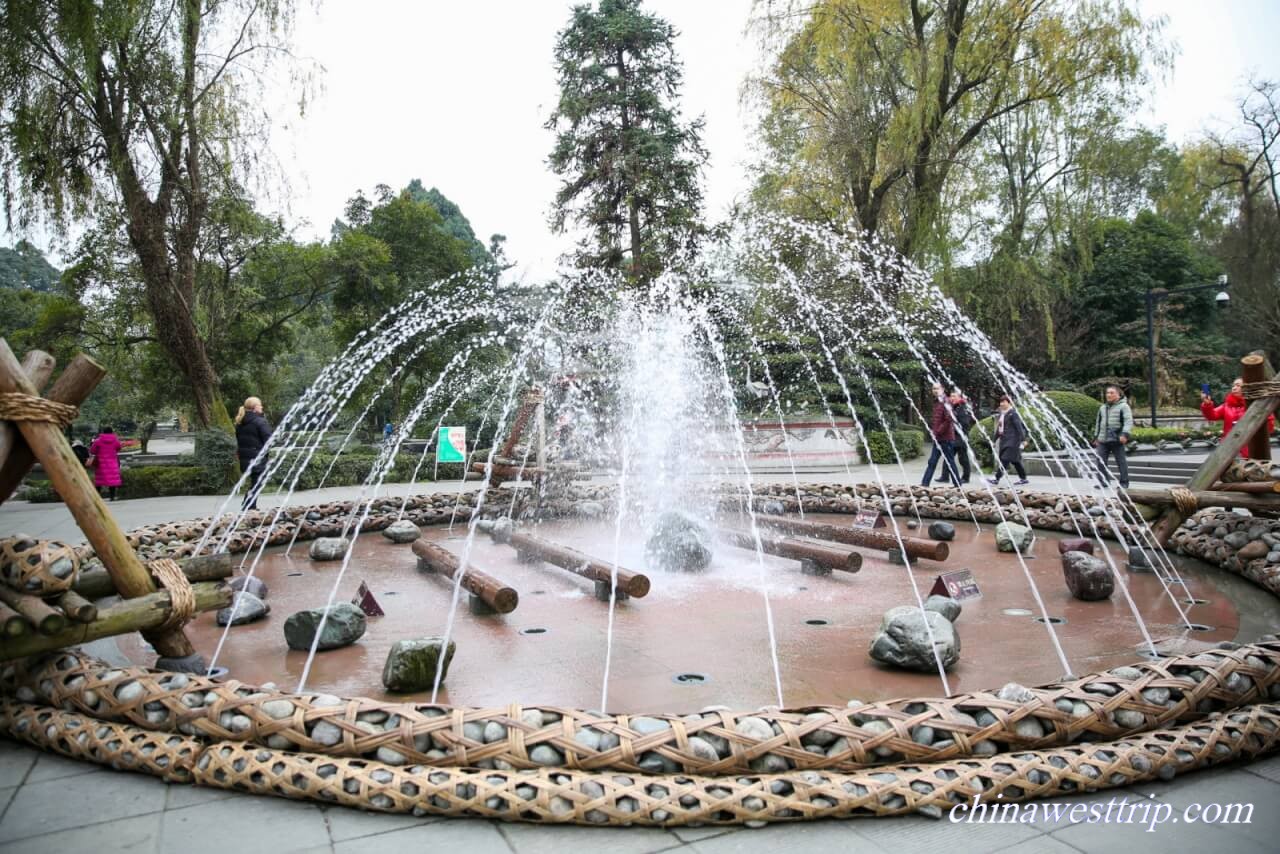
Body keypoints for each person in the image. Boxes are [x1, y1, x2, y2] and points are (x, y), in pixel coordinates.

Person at [1200, 378, 1276, 458]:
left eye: (1238, 385)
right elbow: (1212, 415)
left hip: (1251, 449)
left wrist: (1266, 414)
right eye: (1233, 385)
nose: (1234, 388)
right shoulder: (1227, 406)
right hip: (1228, 448)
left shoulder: (1256, 405)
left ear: (1247, 388)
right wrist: (1207, 404)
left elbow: (1269, 428)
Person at [235, 396, 273, 511]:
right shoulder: (259, 421)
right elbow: (269, 440)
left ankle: (249, 505)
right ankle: (249, 507)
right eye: (260, 405)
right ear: (255, 407)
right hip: (257, 457)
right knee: (258, 483)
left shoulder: (240, 422)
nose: (262, 407)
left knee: (255, 482)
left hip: (245, 458)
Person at [1092, 385, 1133, 489]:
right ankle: (1103, 482)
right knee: (1100, 462)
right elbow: (1098, 423)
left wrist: (1125, 434)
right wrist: (1096, 437)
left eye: (1111, 393)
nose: (1109, 395)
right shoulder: (1103, 407)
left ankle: (1124, 483)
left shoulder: (1124, 406)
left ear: (1118, 395)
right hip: (1103, 439)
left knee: (1121, 461)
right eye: (1107, 393)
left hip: (1117, 438)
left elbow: (1128, 421)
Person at [920, 381, 960, 486]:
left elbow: (949, 418)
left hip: (946, 438)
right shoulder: (937, 402)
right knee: (932, 461)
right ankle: (925, 484)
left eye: (937, 388)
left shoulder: (945, 401)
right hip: (938, 438)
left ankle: (958, 484)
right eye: (933, 389)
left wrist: (938, 431)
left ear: (942, 389)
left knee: (950, 462)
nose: (935, 391)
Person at [988, 396, 1029, 485]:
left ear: (1009, 403)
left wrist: (1023, 440)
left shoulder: (1013, 413)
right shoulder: (1003, 414)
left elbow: (1019, 427)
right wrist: (994, 441)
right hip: (1005, 440)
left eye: (1004, 402)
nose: (1001, 404)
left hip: (1013, 440)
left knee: (1004, 459)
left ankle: (996, 478)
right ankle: (1023, 479)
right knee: (1015, 461)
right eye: (1001, 402)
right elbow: (999, 429)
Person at [946, 389, 975, 484]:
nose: (952, 398)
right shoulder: (955, 407)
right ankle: (944, 476)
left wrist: (955, 429)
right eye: (951, 396)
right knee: (949, 456)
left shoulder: (962, 407)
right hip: (954, 436)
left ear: (959, 397)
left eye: (954, 396)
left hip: (961, 437)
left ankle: (966, 477)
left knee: (963, 458)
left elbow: (965, 423)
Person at [88, 425, 123, 501]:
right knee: (112, 480)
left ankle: (97, 497)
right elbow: (119, 448)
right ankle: (112, 497)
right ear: (112, 432)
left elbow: (92, 451)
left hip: (101, 463)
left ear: (103, 432)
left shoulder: (98, 441)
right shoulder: (116, 440)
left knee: (99, 480)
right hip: (112, 462)